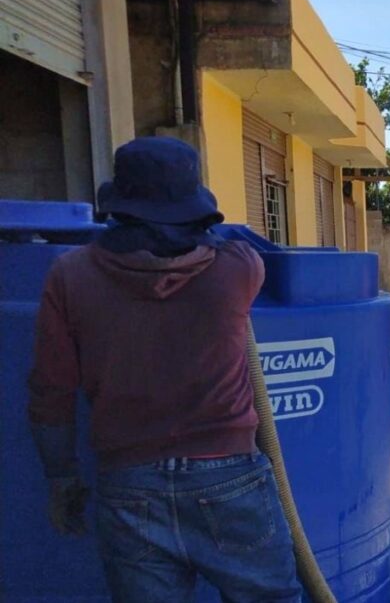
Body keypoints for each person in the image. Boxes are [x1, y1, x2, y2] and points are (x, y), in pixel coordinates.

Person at [28, 137, 302, 601]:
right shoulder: (237, 270)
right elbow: (221, 242)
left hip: (128, 486)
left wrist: (61, 478)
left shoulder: (69, 275)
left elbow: (50, 392)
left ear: (117, 206)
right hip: (229, 477)